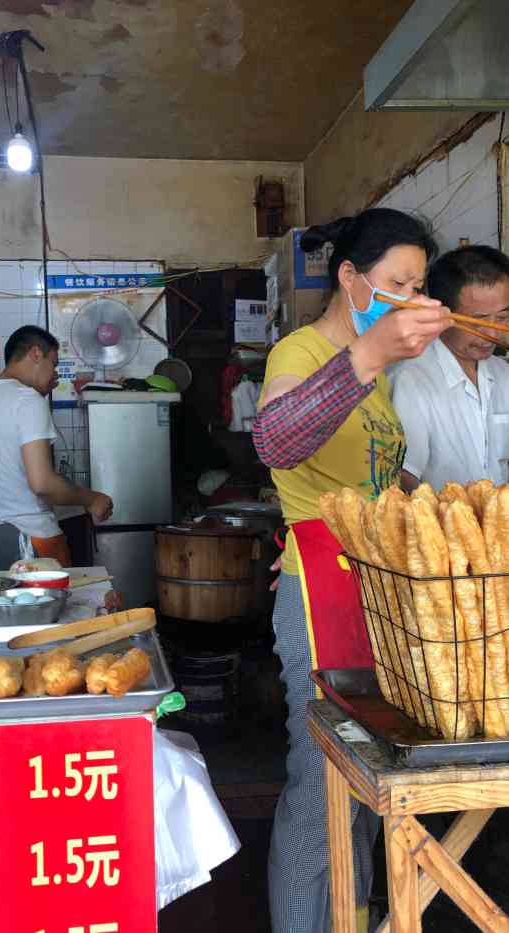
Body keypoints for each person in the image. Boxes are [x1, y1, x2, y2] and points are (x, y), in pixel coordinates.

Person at [251, 209, 451, 933]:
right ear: (350, 277)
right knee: (320, 777)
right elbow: (275, 439)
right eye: (396, 283)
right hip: (318, 594)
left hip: (376, 593)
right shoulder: (301, 353)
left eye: (419, 285)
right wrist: (367, 354)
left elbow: (375, 482)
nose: (408, 297)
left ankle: (350, 917)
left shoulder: (394, 376)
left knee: (369, 782)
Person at [0, 325, 113, 570]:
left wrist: (38, 392)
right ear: (35, 354)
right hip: (31, 542)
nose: (54, 373)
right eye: (53, 363)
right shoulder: (26, 399)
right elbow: (42, 484)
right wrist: (91, 498)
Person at [391, 245, 509, 492]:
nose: (492, 332)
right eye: (477, 320)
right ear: (442, 313)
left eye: (502, 317)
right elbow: (404, 476)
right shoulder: (411, 379)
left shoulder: (503, 374)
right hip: (440, 525)